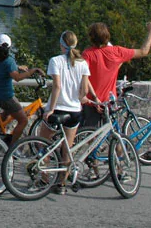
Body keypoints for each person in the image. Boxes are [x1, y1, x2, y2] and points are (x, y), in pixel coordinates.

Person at [39, 31, 99, 194]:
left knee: (43, 143)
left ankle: (43, 178)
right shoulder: (82, 63)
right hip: (74, 111)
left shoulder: (55, 61)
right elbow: (85, 89)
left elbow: (57, 86)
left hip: (58, 109)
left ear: (61, 44)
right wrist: (80, 98)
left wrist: (51, 108)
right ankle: (62, 184)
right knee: (67, 148)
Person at [82, 21, 151, 127]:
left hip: (92, 102)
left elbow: (83, 76)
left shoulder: (87, 54)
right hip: (110, 101)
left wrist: (95, 98)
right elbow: (143, 51)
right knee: (116, 136)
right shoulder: (116, 52)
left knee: (91, 137)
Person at [0, 34, 44, 148]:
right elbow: (17, 78)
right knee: (23, 120)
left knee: (8, 112)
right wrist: (33, 71)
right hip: (6, 96)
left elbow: (2, 67)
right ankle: (11, 148)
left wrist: (16, 67)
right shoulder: (9, 61)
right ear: (9, 47)